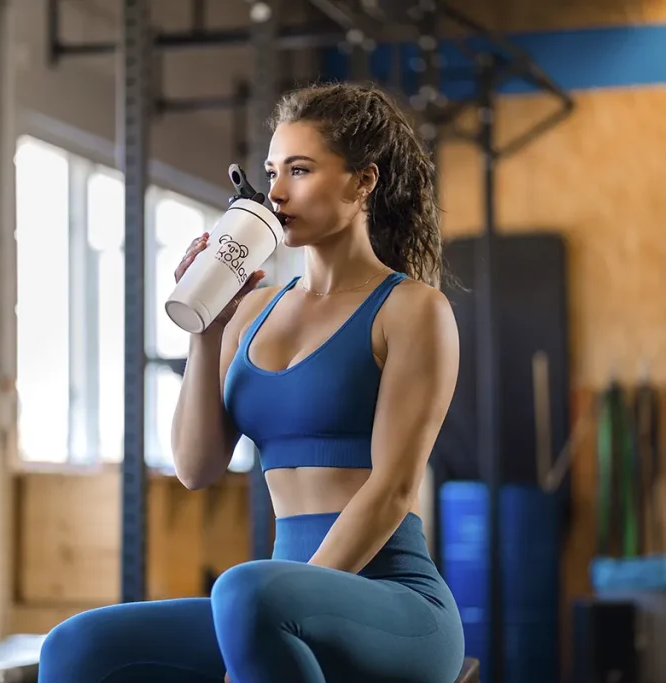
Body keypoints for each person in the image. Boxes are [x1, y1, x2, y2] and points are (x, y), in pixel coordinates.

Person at [38, 82, 465, 683]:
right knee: (76, 647)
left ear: (363, 181)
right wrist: (205, 330)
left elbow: (393, 490)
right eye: (271, 172)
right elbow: (195, 468)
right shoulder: (252, 310)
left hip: (392, 605)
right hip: (269, 603)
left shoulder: (412, 309)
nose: (277, 192)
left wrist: (294, 598)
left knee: (244, 591)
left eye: (300, 169)